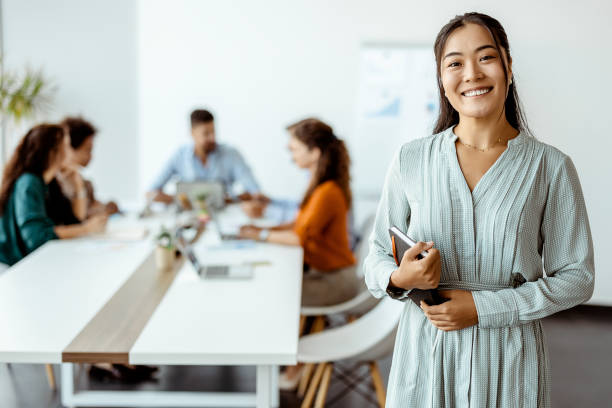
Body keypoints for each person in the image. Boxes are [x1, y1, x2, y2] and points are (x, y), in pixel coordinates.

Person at [364, 12, 594, 407]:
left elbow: (577, 277)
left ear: (507, 65)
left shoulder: (550, 167)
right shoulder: (411, 159)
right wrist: (400, 277)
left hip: (508, 357)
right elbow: (375, 258)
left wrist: (483, 308)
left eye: (485, 57)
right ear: (441, 78)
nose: (471, 73)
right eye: (454, 63)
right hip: (426, 353)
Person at [0, 124, 107, 267]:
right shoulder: (29, 183)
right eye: (67, 146)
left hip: (32, 263)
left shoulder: (48, 184)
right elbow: (37, 238)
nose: (71, 153)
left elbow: (73, 222)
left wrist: (77, 183)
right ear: (53, 152)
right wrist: (87, 228)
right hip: (13, 268)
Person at [148, 109, 262, 204]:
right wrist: (183, 200)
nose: (212, 138)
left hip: (225, 214)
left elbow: (255, 191)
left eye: (213, 132)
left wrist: (228, 200)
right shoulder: (179, 156)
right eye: (206, 133)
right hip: (189, 215)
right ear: (192, 133)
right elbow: (150, 193)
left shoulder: (231, 154)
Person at [46, 117, 119, 225]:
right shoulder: (51, 183)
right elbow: (77, 219)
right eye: (88, 150)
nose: (91, 156)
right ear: (68, 148)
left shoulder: (85, 182)